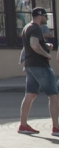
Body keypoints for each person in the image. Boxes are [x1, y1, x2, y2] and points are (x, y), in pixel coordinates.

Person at [17, 7, 57, 135]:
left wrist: (45, 46)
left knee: (30, 94)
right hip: (40, 65)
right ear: (40, 16)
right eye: (45, 16)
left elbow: (32, 45)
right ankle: (56, 127)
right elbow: (34, 44)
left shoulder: (27, 27)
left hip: (30, 65)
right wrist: (47, 54)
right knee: (54, 95)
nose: (46, 18)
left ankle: (23, 125)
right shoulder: (36, 29)